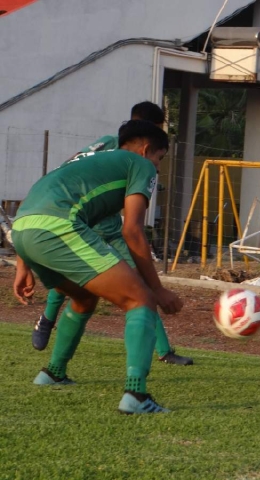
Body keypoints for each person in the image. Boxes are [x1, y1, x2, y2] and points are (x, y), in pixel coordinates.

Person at [13, 120, 183, 414]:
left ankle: (53, 372)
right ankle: (136, 396)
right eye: (160, 158)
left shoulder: (89, 160)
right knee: (140, 298)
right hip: (56, 226)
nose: (157, 167)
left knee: (83, 298)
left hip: (23, 228)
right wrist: (157, 288)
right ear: (146, 150)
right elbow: (132, 230)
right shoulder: (139, 165)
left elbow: (40, 196)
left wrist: (22, 264)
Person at [31, 101, 193, 366]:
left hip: (112, 231)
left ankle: (164, 350)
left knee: (141, 283)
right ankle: (48, 320)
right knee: (74, 282)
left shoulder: (134, 156)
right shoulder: (112, 146)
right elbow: (70, 166)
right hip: (83, 225)